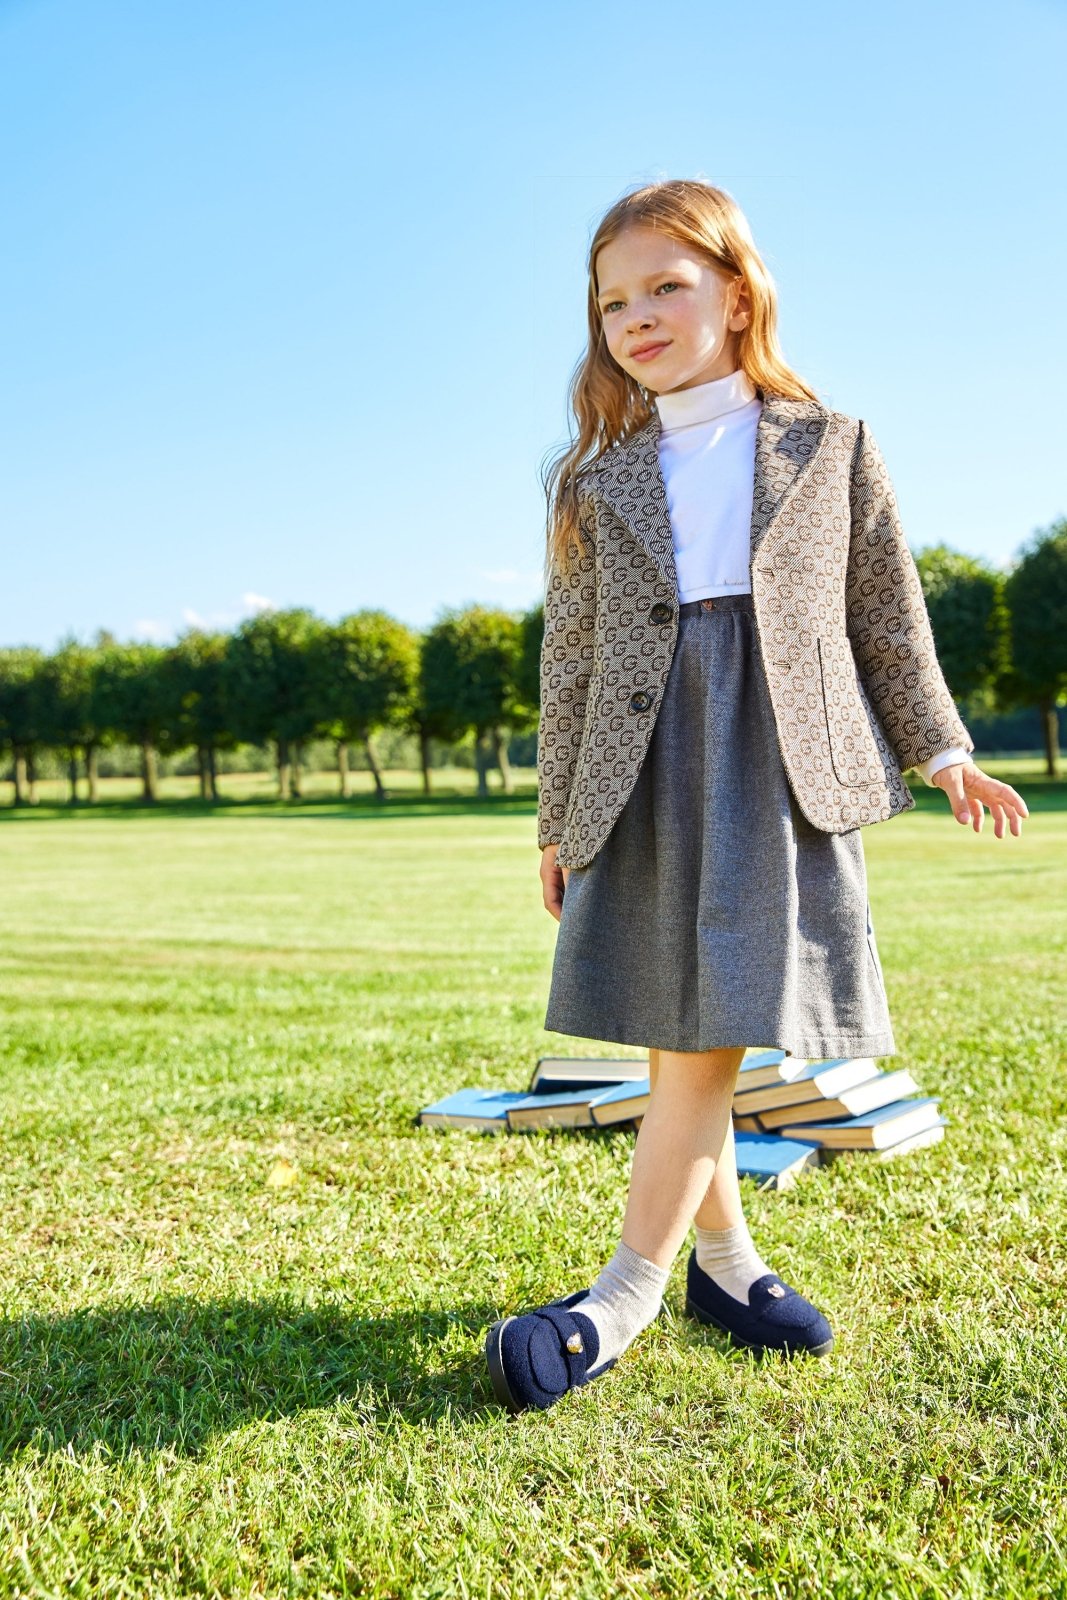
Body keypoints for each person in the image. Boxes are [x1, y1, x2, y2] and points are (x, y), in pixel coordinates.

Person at [483, 179, 1029, 1414]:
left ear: (735, 295)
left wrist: (941, 752)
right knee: (693, 1026)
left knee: (707, 1029)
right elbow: (567, 662)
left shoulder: (827, 445)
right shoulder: (590, 480)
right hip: (639, 761)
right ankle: (722, 1268)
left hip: (773, 760)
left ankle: (617, 1294)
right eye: (613, 299)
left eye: (666, 286)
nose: (636, 316)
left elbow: (883, 614)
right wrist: (557, 817)